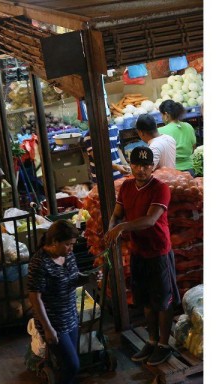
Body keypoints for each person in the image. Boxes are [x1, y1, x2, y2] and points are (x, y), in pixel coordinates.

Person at [105, 146, 180, 366]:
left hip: (158, 251)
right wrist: (112, 229)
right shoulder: (127, 186)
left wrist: (121, 228)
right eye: (137, 164)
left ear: (152, 166)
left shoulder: (160, 188)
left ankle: (164, 345)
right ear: (131, 165)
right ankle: (152, 340)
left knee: (163, 300)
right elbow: (117, 215)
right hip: (139, 251)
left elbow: (150, 220)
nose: (141, 169)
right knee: (146, 299)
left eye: (146, 165)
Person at [28, 220, 92, 384]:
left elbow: (73, 279)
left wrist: (88, 278)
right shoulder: (40, 263)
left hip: (70, 315)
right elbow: (35, 298)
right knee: (72, 365)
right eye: (68, 244)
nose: (71, 248)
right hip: (53, 321)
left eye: (72, 244)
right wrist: (48, 329)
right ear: (55, 241)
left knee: (68, 361)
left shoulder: (68, 255)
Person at [158, 100, 197, 174]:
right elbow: (193, 147)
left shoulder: (160, 131)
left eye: (161, 115)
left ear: (166, 115)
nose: (161, 117)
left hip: (172, 172)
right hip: (190, 169)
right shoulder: (188, 126)